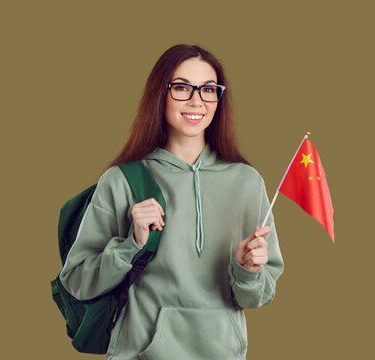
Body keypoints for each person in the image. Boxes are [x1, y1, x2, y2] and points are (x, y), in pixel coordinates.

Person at [59, 44, 284, 360]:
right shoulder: (124, 178)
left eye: (208, 89)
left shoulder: (247, 182)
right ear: (160, 94)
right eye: (182, 87)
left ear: (219, 99)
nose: (196, 100)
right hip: (138, 353)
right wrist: (131, 244)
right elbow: (77, 281)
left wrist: (247, 271)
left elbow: (258, 296)